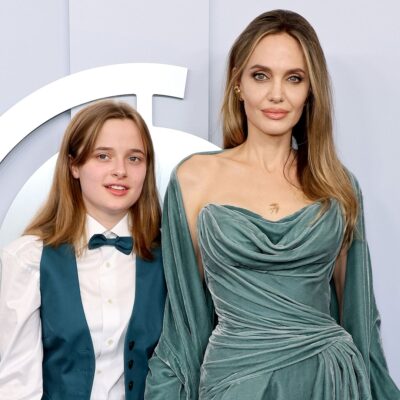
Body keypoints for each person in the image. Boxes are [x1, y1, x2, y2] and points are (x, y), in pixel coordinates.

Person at [144, 9, 400, 400]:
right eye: (261, 76)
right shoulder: (194, 179)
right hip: (235, 382)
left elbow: (360, 317)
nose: (276, 94)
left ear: (310, 90)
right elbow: (184, 324)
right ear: (238, 84)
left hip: (328, 381)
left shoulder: (338, 185)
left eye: (294, 78)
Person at [0, 100, 166, 400]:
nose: (120, 171)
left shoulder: (170, 258)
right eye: (103, 156)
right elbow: (16, 385)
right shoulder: (28, 259)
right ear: (74, 165)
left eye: (134, 158)